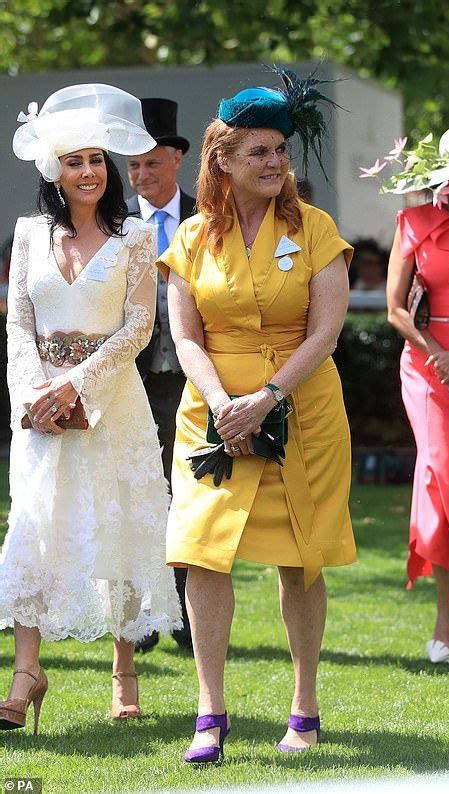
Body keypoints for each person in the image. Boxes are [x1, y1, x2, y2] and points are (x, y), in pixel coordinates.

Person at [158, 67, 356, 762]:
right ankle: (209, 712)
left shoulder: (317, 228)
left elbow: (324, 334)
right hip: (211, 409)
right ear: (224, 161)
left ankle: (305, 705)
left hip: (301, 409)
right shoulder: (189, 238)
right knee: (203, 553)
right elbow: (186, 337)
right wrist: (222, 407)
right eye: (260, 152)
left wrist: (267, 398)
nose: (276, 163)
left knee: (301, 559)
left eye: (282, 150)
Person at [0, 83, 181, 733]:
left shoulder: (135, 236)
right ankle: (26, 674)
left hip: (114, 404)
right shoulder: (27, 234)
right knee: (31, 529)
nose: (87, 172)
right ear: (55, 169)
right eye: (74, 161)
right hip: (38, 408)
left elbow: (138, 328)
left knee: (120, 531)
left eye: (96, 160)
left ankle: (124, 673)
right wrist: (32, 393)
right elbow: (18, 323)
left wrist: (75, 385)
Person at [386, 125, 449, 663]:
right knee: (442, 474)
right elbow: (396, 307)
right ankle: (446, 607)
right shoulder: (414, 223)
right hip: (427, 369)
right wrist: (441, 355)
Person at [127, 98, 195, 652]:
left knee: (187, 487)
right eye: (134, 165)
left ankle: (186, 610)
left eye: (152, 162)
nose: (142, 174)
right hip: (129, 374)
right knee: (139, 487)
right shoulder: (117, 225)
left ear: (176, 158)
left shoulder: (206, 219)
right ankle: (147, 610)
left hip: (190, 374)